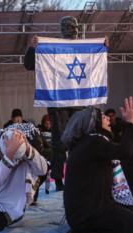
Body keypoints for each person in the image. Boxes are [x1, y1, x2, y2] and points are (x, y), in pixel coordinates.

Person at [62, 97, 133, 233]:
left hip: (83, 213)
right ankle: (83, 232)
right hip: (88, 215)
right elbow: (124, 151)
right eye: (102, 116)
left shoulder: (89, 142)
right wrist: (130, 123)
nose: (107, 118)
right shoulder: (95, 141)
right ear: (94, 124)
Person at [24, 16, 109, 191]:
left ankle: (80, 176)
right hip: (59, 103)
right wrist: (33, 49)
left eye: (74, 27)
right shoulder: (51, 47)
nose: (72, 30)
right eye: (69, 27)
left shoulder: (84, 47)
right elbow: (29, 64)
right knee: (59, 143)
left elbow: (96, 62)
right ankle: (59, 179)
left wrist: (103, 47)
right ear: (63, 28)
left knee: (81, 142)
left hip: (79, 102)